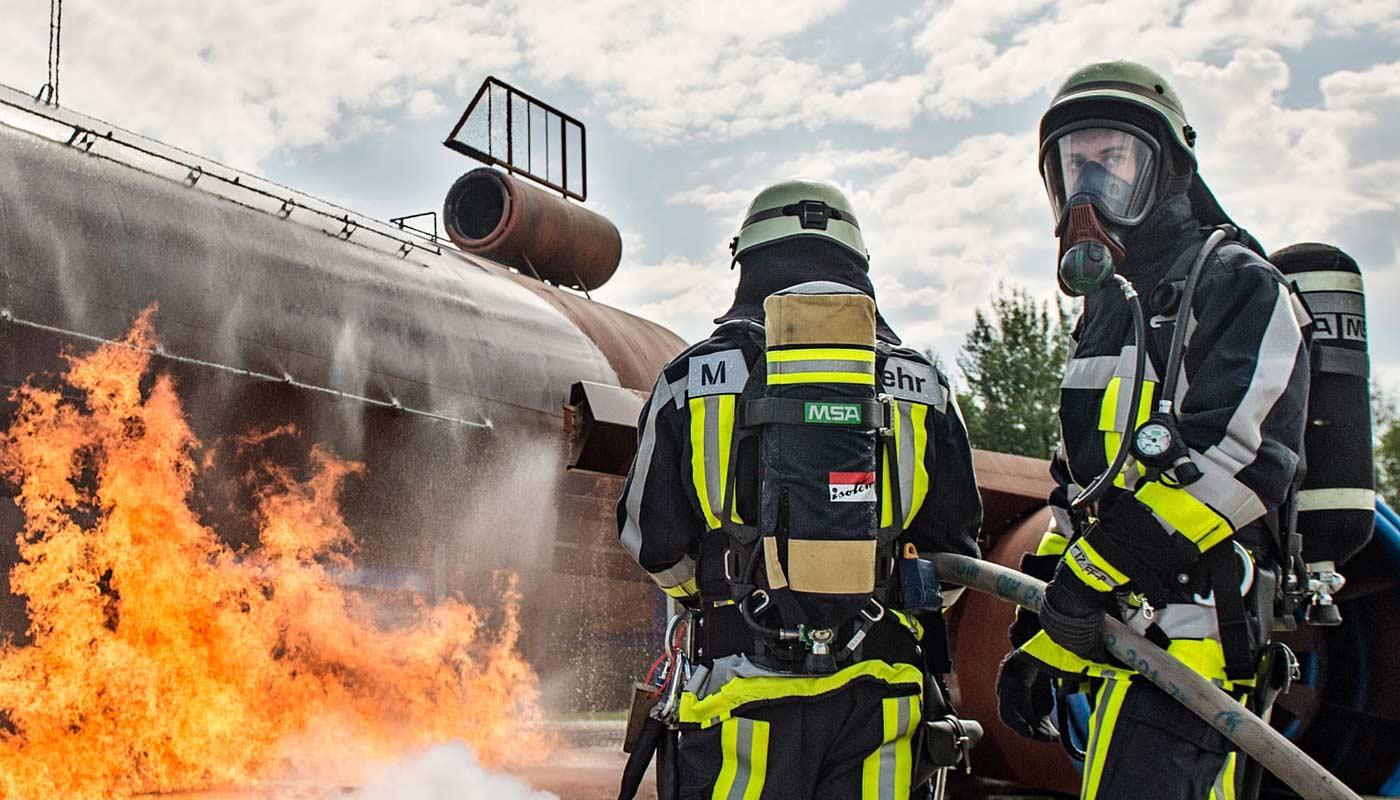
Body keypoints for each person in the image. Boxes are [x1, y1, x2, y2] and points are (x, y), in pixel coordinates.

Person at [996, 61, 1311, 800]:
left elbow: (1239, 462)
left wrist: (1086, 580)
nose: (1090, 186)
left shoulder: (1237, 283)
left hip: (1198, 650)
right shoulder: (1107, 309)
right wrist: (1039, 627)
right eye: (1076, 164)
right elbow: (1081, 488)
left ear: (1163, 167)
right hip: (1127, 650)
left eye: (1111, 160)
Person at [618, 179, 983, 800]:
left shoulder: (691, 377)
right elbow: (953, 556)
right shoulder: (922, 384)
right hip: (882, 696)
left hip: (738, 690)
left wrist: (726, 592)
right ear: (859, 266)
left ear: (749, 263)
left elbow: (650, 538)